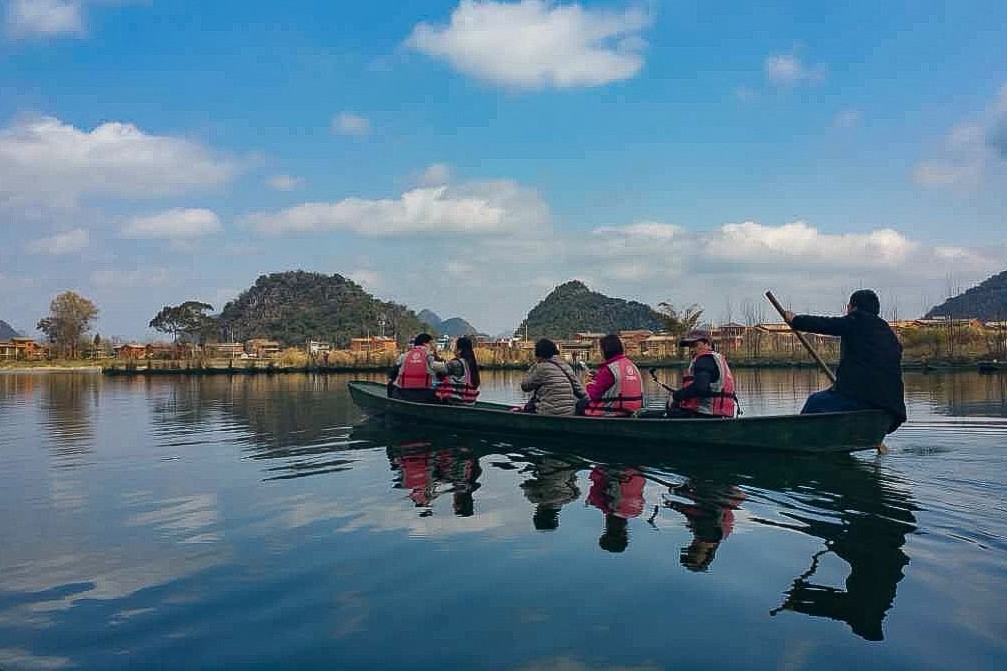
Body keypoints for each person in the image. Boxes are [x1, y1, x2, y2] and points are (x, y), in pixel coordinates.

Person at [783, 289, 907, 433]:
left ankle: (800, 437)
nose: (847, 309)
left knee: (815, 402)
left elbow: (825, 324)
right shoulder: (886, 331)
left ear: (854, 307)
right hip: (892, 409)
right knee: (830, 401)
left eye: (849, 306)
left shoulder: (857, 320)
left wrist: (795, 320)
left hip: (863, 399)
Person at [666, 329, 739, 419]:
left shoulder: (704, 360)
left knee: (663, 411)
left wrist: (676, 396)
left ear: (707, 344)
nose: (691, 350)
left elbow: (701, 388)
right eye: (690, 347)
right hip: (722, 415)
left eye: (695, 345)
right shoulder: (716, 358)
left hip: (705, 414)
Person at [577, 334, 643, 417]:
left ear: (605, 350)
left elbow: (594, 396)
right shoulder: (632, 366)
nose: (600, 352)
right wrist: (598, 376)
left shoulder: (608, 369)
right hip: (634, 410)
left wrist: (588, 383)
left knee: (581, 404)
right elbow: (618, 381)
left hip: (615, 411)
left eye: (600, 349)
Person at [517, 338, 588, 416]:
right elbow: (582, 393)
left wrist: (534, 366)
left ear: (539, 354)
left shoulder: (541, 367)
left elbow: (525, 386)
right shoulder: (566, 366)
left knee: (530, 406)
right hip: (569, 413)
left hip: (546, 413)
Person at [587, 465, 646, 553]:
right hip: (613, 465)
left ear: (625, 533)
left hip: (638, 468)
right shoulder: (598, 501)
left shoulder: (637, 511)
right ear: (606, 529)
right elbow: (596, 473)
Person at [388, 333, 438, 403]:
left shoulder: (404, 356)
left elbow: (392, 374)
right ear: (425, 344)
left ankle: (390, 402)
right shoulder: (431, 357)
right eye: (431, 344)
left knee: (390, 383)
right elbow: (442, 374)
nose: (432, 346)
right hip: (426, 397)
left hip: (403, 395)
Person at [433, 336, 481, 405]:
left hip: (457, 401)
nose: (452, 348)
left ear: (459, 350)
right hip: (470, 402)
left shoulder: (457, 363)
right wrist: (437, 358)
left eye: (454, 346)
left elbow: (434, 366)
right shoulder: (470, 362)